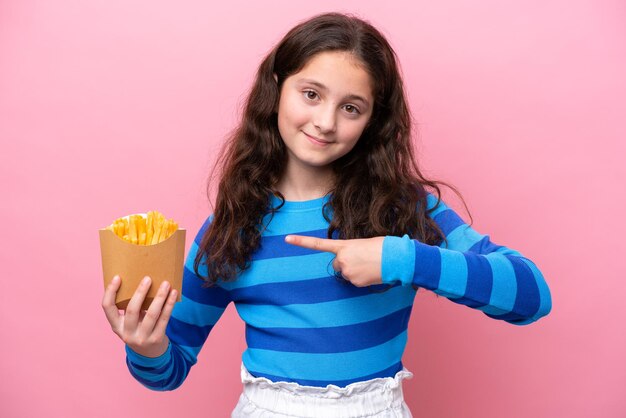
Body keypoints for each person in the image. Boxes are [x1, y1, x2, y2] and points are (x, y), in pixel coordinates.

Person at [102, 12, 552, 418]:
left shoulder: (402, 210)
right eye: (311, 94)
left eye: (351, 108)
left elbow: (532, 294)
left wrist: (401, 258)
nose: (326, 122)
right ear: (277, 87)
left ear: (373, 121)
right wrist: (147, 346)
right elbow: (168, 370)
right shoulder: (232, 226)